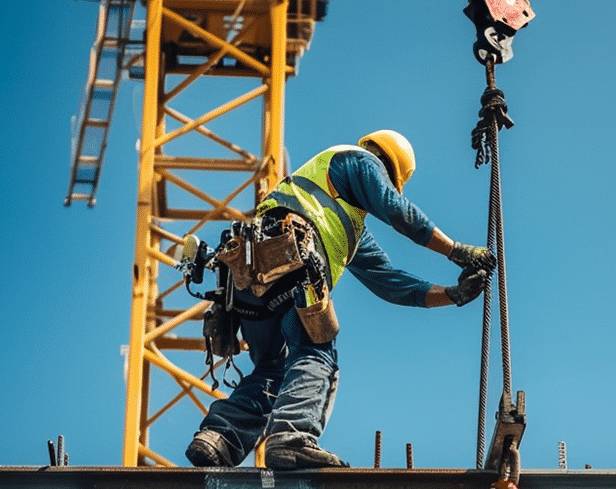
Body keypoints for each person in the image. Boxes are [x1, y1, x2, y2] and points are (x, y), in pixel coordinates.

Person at [185, 129, 496, 470]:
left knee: (273, 370)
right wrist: (456, 251)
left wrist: (453, 295)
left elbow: (390, 283)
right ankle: (291, 437)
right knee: (316, 352)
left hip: (246, 280)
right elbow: (396, 210)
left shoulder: (348, 222)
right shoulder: (357, 160)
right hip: (291, 265)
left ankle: (218, 437)